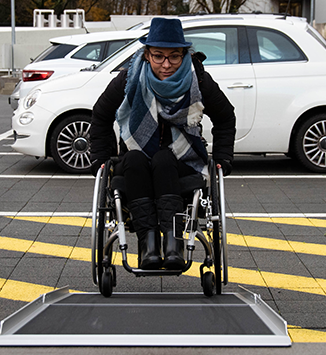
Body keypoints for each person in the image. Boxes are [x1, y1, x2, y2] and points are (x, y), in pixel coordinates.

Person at [90, 18, 235, 271]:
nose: (166, 65)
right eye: (158, 56)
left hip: (182, 160)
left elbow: (225, 117)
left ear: (184, 55)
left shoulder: (197, 79)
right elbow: (100, 116)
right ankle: (148, 245)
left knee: (163, 158)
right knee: (134, 159)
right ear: (147, 55)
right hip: (136, 163)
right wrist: (101, 158)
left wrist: (223, 159)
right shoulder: (130, 78)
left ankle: (172, 243)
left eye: (174, 57)